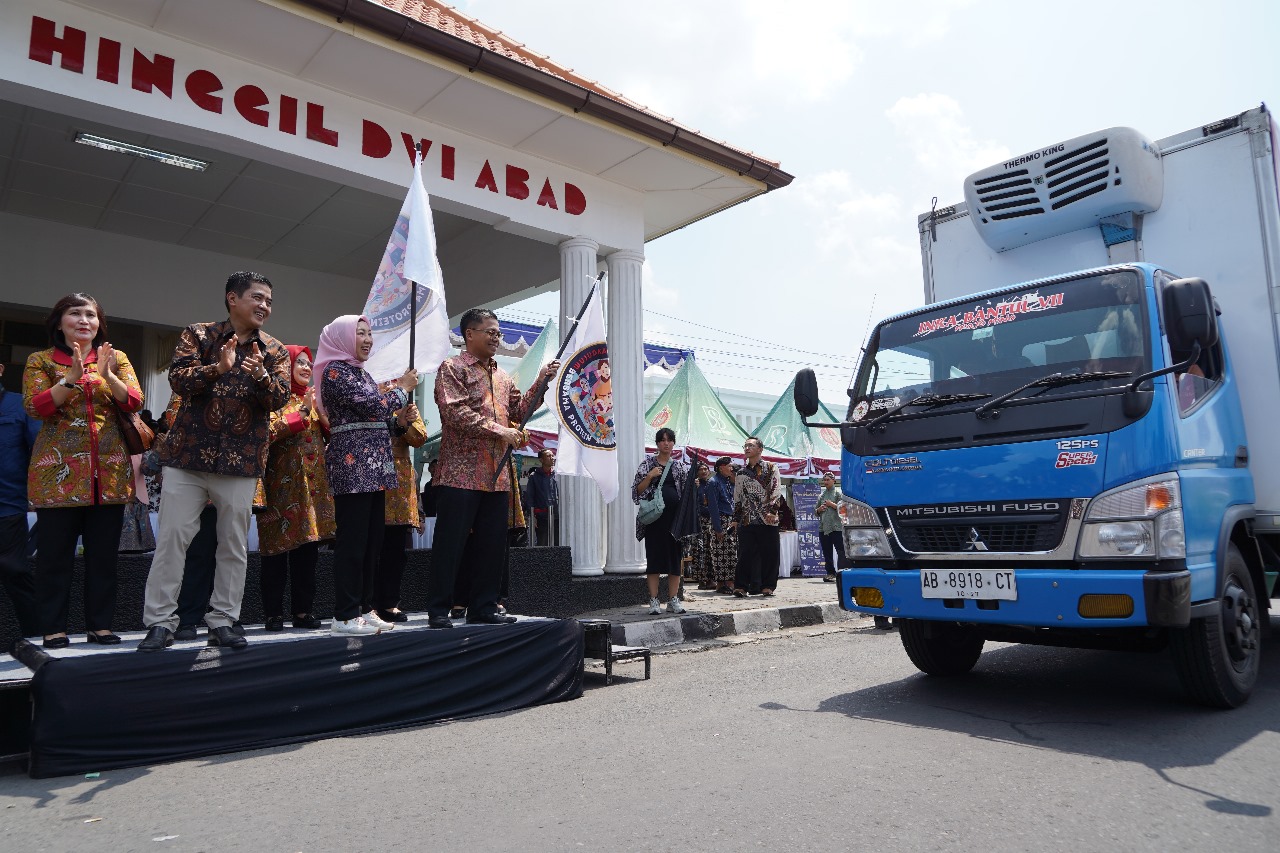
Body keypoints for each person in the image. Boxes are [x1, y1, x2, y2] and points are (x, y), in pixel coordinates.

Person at [138, 272, 290, 652]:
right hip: (187, 457)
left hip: (241, 463)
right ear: (232, 299)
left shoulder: (275, 351)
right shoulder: (199, 334)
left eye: (269, 301)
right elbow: (177, 379)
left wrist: (262, 379)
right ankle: (160, 622)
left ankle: (223, 621)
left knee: (233, 546)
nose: (264, 306)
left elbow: (280, 400)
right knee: (173, 540)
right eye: (257, 298)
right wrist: (218, 369)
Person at [24, 293, 144, 648]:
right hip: (56, 475)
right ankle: (54, 629)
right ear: (59, 322)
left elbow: (135, 401)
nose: (84, 320)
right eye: (75, 313)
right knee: (54, 559)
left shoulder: (115, 358)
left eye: (91, 315)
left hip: (109, 474)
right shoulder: (41, 360)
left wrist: (107, 374)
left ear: (99, 323)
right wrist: (70, 379)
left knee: (104, 557)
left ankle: (100, 625)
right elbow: (35, 406)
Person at [429, 308, 557, 629]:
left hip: (497, 475)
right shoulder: (452, 368)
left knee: (491, 545)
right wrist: (502, 431)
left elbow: (520, 410)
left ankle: (484, 606)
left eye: (498, 332)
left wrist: (541, 380)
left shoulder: (502, 377)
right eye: (490, 332)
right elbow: (455, 413)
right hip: (460, 474)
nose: (496, 337)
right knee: (451, 543)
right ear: (469, 334)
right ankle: (439, 609)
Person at [315, 315, 418, 636]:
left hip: (375, 468)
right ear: (343, 338)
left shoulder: (361, 373)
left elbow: (378, 420)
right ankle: (344, 614)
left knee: (373, 543)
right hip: (352, 467)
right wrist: (401, 391)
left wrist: (400, 421)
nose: (368, 339)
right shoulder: (335, 371)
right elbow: (373, 406)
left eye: (369, 333)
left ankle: (364, 607)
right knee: (353, 543)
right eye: (360, 333)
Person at [257, 346, 336, 632]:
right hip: (280, 489)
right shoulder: (275, 398)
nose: (305, 367)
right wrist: (301, 412)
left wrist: (319, 410)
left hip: (312, 490)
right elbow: (267, 432)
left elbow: (330, 433)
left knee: (308, 554)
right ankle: (273, 613)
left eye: (308, 363)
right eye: (299, 362)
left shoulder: (315, 400)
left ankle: (303, 612)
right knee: (275, 553)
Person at [373, 386, 426, 623]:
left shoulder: (407, 406)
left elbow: (419, 438)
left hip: (400, 486)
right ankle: (368, 603)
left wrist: (404, 421)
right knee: (371, 548)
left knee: (396, 549)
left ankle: (389, 603)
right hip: (373, 476)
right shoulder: (370, 398)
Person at [0, 363, 41, 640]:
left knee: (15, 573)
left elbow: (38, 451)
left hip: (8, 507)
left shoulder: (19, 405)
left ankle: (38, 639)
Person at [632, 427, 690, 615]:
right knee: (654, 561)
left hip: (675, 522)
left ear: (673, 443)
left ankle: (673, 600)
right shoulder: (647, 464)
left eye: (669, 440)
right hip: (655, 521)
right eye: (662, 440)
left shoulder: (680, 466)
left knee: (675, 561)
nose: (666, 443)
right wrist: (650, 476)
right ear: (657, 444)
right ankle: (654, 600)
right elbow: (637, 492)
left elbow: (687, 494)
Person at [733, 436, 783, 597]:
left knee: (770, 553)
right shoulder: (741, 472)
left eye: (751, 445)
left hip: (768, 518)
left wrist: (772, 512)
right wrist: (735, 518)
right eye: (745, 445)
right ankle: (740, 586)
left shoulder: (771, 467)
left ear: (760, 449)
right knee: (744, 553)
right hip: (747, 519)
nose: (747, 448)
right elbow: (738, 497)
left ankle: (768, 586)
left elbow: (776, 490)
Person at [704, 457, 738, 594]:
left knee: (731, 554)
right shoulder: (713, 482)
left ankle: (729, 583)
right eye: (729, 466)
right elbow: (713, 507)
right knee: (720, 554)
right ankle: (721, 584)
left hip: (730, 520)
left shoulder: (728, 481)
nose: (731, 469)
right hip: (720, 520)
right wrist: (718, 528)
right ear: (720, 467)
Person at [525, 448, 558, 546]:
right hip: (541, 517)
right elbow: (529, 497)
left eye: (552, 455)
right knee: (542, 544)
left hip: (556, 516)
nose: (552, 458)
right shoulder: (534, 476)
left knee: (557, 544)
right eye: (548, 456)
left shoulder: (557, 475)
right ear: (541, 460)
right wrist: (532, 517)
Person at [816, 472, 843, 583]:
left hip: (836, 528)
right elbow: (815, 511)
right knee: (827, 552)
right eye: (824, 480)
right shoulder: (821, 495)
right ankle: (830, 573)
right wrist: (819, 509)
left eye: (828, 480)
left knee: (841, 551)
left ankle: (842, 572)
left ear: (834, 481)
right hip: (823, 528)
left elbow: (844, 509)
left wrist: (832, 504)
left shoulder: (838, 493)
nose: (825, 482)